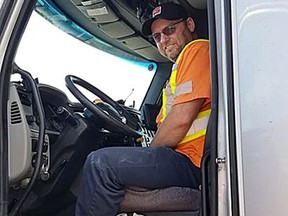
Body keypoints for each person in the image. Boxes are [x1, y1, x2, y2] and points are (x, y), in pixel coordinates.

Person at [75, 2, 211, 216]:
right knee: (107, 184)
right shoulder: (178, 69)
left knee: (100, 164)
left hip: (192, 161)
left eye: (169, 30)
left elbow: (181, 119)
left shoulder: (198, 50)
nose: (164, 40)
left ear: (190, 24)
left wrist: (147, 154)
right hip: (183, 159)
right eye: (157, 37)